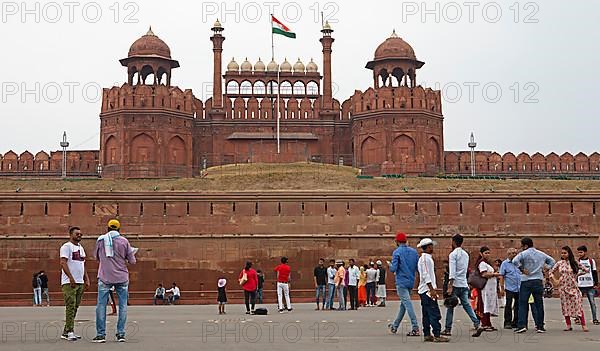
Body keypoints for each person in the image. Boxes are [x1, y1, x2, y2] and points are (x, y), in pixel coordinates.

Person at [93, 219, 136, 343]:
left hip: (105, 277)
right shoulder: (124, 241)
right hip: (122, 278)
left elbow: (96, 257)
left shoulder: (101, 240)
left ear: (107, 229)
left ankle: (101, 335)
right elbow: (132, 261)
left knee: (101, 305)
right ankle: (120, 334)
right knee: (123, 306)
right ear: (119, 229)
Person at [512, 237, 556, 334]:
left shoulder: (523, 254)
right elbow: (552, 261)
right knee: (538, 303)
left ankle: (522, 325)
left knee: (523, 304)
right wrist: (546, 269)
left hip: (526, 280)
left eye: (522, 245)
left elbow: (515, 261)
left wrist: (522, 269)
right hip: (538, 280)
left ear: (525, 245)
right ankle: (540, 326)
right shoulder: (541, 254)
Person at [443, 234, 483, 337]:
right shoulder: (465, 254)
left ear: (453, 242)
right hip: (463, 283)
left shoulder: (453, 255)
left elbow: (452, 271)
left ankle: (448, 329)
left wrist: (450, 285)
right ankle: (477, 323)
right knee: (467, 305)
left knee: (450, 306)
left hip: (455, 283)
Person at [60, 226, 90, 341]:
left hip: (80, 282)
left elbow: (83, 265)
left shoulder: (81, 248)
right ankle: (70, 331)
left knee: (75, 307)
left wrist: (86, 279)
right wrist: (71, 278)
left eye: (80, 234)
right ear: (70, 234)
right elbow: (63, 263)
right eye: (77, 234)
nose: (79, 235)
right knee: (70, 307)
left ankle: (66, 332)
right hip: (69, 283)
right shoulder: (66, 247)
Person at [549, 246, 589, 332]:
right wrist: (555, 280)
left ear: (569, 253)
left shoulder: (574, 262)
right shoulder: (559, 263)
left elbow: (586, 270)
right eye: (562, 253)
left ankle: (583, 324)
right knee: (565, 306)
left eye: (565, 253)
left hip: (573, 287)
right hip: (563, 288)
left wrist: (577, 275)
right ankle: (568, 325)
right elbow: (551, 272)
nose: (563, 254)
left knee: (578, 306)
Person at [417, 238, 448, 343]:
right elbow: (426, 275)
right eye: (431, 246)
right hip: (427, 290)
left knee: (426, 313)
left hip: (425, 290)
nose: (432, 248)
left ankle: (427, 334)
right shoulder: (425, 259)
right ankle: (437, 334)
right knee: (434, 313)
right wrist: (432, 289)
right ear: (428, 247)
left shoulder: (425, 258)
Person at [388, 232, 420, 336]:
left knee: (407, 304)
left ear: (397, 241)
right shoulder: (414, 252)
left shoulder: (397, 252)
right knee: (404, 305)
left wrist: (390, 265)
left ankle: (415, 326)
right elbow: (417, 268)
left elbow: (393, 269)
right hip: (411, 281)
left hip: (401, 282)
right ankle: (395, 326)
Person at [475, 247, 501, 331]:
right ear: (481, 254)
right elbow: (484, 274)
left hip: (490, 287)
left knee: (488, 305)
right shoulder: (482, 263)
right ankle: (484, 324)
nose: (487, 255)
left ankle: (488, 323)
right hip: (485, 287)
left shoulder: (487, 263)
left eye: (488, 253)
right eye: (486, 253)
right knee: (484, 305)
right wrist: (495, 274)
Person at [499, 248, 521, 329]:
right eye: (512, 253)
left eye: (515, 253)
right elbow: (501, 276)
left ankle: (516, 321)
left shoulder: (519, 263)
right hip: (509, 287)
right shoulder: (505, 264)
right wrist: (501, 288)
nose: (514, 254)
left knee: (518, 305)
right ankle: (507, 322)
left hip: (519, 287)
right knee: (508, 305)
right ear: (508, 254)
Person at [577, 245, 599, 325]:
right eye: (578, 252)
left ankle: (595, 319)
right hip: (580, 285)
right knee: (578, 303)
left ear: (585, 252)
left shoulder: (591, 261)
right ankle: (577, 318)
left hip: (590, 285)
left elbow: (594, 272)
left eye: (581, 252)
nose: (579, 254)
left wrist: (596, 283)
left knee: (592, 303)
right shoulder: (577, 261)